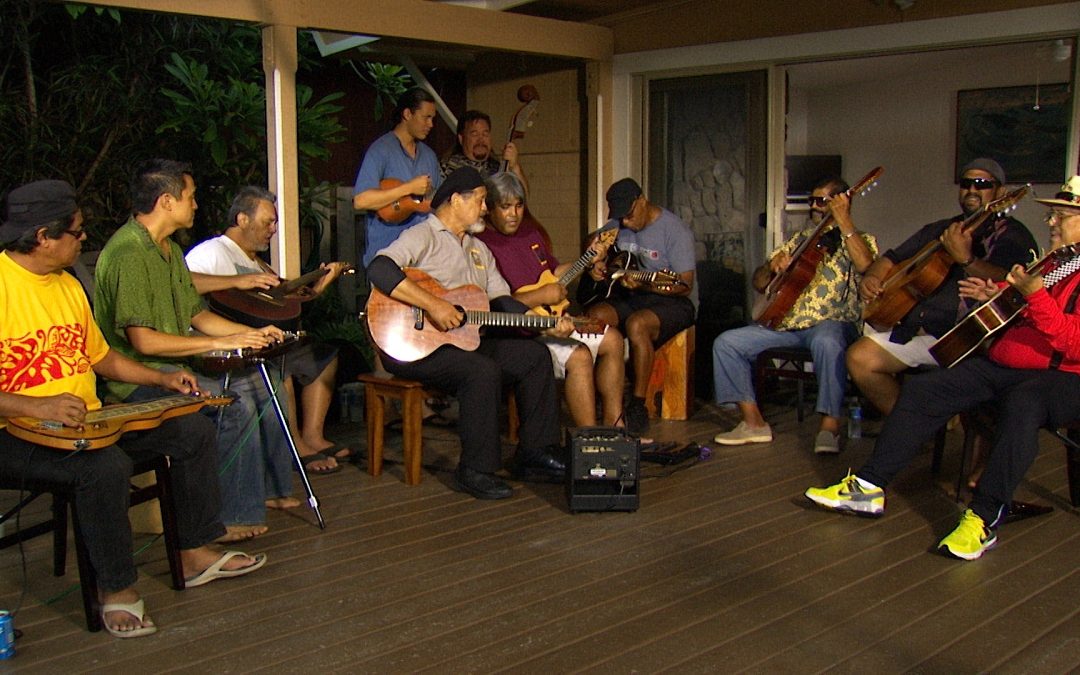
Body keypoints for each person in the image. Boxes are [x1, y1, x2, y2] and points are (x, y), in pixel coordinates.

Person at [0, 180, 265, 638]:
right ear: (43, 236)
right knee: (104, 468)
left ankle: (194, 550)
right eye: (77, 232)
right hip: (17, 430)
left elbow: (101, 357)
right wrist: (33, 402)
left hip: (88, 418)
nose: (85, 239)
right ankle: (116, 589)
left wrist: (161, 378)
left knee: (191, 430)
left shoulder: (66, 285)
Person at [806, 175, 1080, 560]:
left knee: (1024, 405)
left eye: (1062, 216)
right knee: (926, 388)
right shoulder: (1059, 261)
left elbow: (1072, 342)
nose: (1051, 222)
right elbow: (1028, 307)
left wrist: (1034, 297)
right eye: (1053, 214)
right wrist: (999, 294)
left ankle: (982, 519)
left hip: (1064, 377)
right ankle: (868, 486)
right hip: (1010, 362)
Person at [94, 159, 293, 542]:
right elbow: (144, 342)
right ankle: (226, 517)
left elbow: (197, 314)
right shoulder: (129, 253)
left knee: (258, 386)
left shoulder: (165, 249)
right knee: (231, 405)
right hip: (133, 380)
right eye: (191, 196)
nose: (197, 205)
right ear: (167, 201)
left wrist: (251, 333)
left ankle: (260, 496)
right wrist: (222, 343)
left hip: (173, 368)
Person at [365, 167, 568, 499]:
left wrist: (541, 320)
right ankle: (475, 468)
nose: (485, 208)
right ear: (456, 200)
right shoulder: (423, 235)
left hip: (462, 341)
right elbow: (379, 269)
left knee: (534, 356)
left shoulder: (478, 249)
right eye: (481, 200)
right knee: (481, 372)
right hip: (412, 345)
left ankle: (536, 451)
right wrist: (432, 305)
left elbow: (500, 301)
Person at [847, 158, 1037, 416]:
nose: (972, 189)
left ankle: (923, 425)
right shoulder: (942, 228)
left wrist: (966, 259)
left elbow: (1012, 280)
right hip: (920, 328)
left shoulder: (1012, 235)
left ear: (1000, 193)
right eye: (967, 183)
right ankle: (910, 427)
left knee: (945, 388)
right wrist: (873, 278)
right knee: (859, 358)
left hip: (968, 339)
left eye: (982, 184)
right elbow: (890, 257)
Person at [185, 186, 352, 475]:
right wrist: (234, 282)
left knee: (322, 357)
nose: (273, 229)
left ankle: (312, 435)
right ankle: (295, 446)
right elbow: (184, 283)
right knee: (280, 364)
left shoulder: (259, 263)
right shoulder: (212, 251)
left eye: (274, 222)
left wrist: (321, 283)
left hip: (264, 338)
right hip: (227, 343)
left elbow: (288, 304)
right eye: (268, 222)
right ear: (242, 219)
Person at [712, 177, 877, 453]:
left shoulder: (861, 240)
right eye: (811, 200)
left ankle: (829, 426)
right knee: (727, 343)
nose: (813, 206)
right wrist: (772, 267)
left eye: (821, 201)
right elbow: (759, 282)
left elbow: (867, 267)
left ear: (840, 202)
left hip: (832, 324)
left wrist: (844, 222)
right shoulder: (798, 241)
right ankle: (753, 422)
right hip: (786, 325)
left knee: (827, 341)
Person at [476, 171, 624, 427]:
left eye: (519, 205)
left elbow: (553, 273)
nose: (514, 214)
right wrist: (540, 296)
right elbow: (495, 303)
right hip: (522, 332)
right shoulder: (481, 244)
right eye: (505, 207)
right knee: (579, 356)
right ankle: (589, 438)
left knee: (613, 338)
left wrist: (587, 261)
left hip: (557, 319)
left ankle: (615, 426)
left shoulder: (530, 234)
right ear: (489, 208)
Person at [580, 178, 698, 436]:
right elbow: (593, 241)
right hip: (630, 296)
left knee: (637, 325)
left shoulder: (674, 231)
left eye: (629, 215)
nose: (625, 222)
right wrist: (597, 259)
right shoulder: (619, 224)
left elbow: (684, 284)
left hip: (671, 300)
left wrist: (643, 286)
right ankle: (597, 396)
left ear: (642, 201)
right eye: (620, 217)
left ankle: (637, 403)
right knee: (595, 316)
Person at [353, 87, 443, 267]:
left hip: (425, 259)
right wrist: (408, 188)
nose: (431, 124)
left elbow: (439, 201)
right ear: (407, 114)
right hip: (387, 256)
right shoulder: (380, 150)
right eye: (426, 117)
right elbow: (361, 201)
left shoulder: (429, 156)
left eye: (433, 118)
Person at [440, 110, 528, 192]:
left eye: (485, 134)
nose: (481, 140)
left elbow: (522, 196)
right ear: (461, 138)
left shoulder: (497, 168)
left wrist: (515, 166)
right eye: (474, 134)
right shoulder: (446, 168)